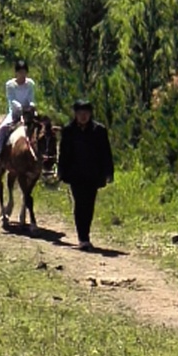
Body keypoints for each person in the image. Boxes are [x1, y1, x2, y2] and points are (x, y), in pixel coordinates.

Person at [56, 98, 114, 248]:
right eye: (80, 113)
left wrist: (109, 172)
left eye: (86, 113)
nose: (83, 116)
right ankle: (83, 237)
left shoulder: (99, 130)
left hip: (93, 174)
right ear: (75, 114)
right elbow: (63, 154)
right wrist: (61, 171)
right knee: (79, 204)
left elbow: (106, 153)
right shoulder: (68, 131)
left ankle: (85, 234)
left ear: (90, 114)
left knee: (89, 205)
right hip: (76, 174)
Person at [0, 57, 36, 166]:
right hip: (15, 112)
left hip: (28, 111)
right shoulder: (10, 85)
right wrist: (20, 107)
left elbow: (31, 97)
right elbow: (11, 100)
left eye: (24, 72)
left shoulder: (30, 84)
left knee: (40, 126)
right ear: (16, 73)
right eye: (20, 72)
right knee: (3, 128)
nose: (22, 75)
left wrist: (31, 105)